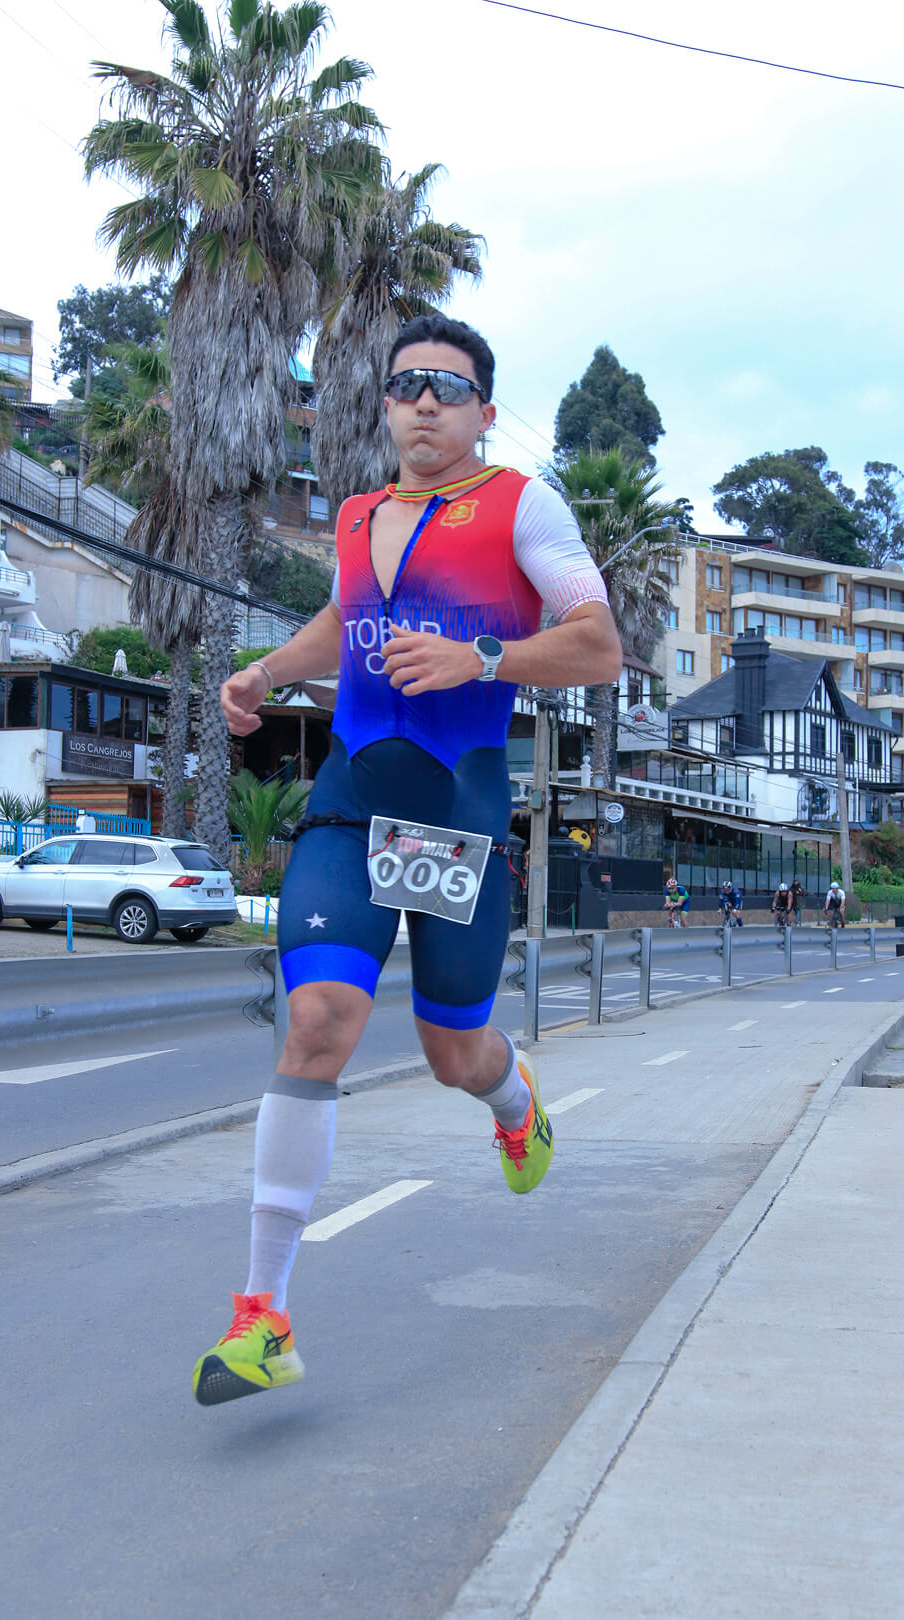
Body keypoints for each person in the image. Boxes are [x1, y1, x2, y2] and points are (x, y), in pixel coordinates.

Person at [194, 314, 621, 1407]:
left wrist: (484, 655)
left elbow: (598, 644)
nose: (425, 400)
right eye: (406, 384)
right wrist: (262, 674)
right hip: (348, 807)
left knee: (451, 1051)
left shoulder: (521, 506)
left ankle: (512, 1099)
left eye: (449, 386)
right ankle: (263, 1315)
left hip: (455, 821)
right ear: (385, 405)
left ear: (484, 410)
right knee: (317, 1023)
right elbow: (342, 622)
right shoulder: (355, 517)